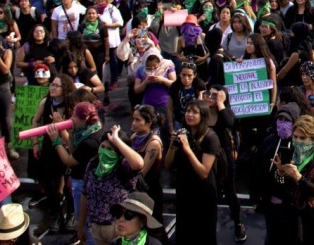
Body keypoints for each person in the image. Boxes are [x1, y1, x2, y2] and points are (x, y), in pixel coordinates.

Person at [266, 115, 314, 245]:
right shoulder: (289, 152)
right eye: (295, 137)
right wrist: (280, 172)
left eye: (302, 138)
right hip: (289, 214)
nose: (297, 141)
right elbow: (280, 186)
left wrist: (299, 178)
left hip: (311, 216)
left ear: (313, 138)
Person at [165, 100, 221, 245]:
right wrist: (172, 146)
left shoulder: (211, 138)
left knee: (203, 234)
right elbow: (167, 164)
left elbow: (203, 172)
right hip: (184, 191)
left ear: (203, 116)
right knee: (184, 233)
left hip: (203, 194)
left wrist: (188, 149)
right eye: (188, 111)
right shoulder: (184, 133)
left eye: (195, 112)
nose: (189, 115)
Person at [78, 126, 145, 245]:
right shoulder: (94, 164)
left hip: (117, 227)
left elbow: (139, 163)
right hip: (95, 227)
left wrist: (117, 140)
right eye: (102, 147)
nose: (104, 151)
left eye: (110, 149)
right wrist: (80, 225)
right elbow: (85, 195)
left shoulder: (124, 166)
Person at [48, 101, 103, 245]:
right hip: (89, 181)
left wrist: (56, 142)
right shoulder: (92, 131)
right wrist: (67, 132)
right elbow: (74, 151)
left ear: (84, 119)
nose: (71, 118)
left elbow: (69, 160)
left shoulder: (89, 142)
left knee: (86, 224)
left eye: (74, 116)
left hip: (83, 182)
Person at [30, 74, 75, 235]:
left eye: (56, 86)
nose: (52, 88)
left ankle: (71, 214)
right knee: (49, 183)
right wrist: (36, 144)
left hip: (67, 146)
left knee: (70, 185)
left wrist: (61, 126)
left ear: (66, 89)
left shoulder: (72, 104)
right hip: (49, 147)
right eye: (52, 85)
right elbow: (35, 121)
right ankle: (56, 214)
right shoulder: (45, 102)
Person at [204, 85, 246, 242]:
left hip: (224, 157)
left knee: (230, 191)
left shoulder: (225, 112)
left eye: (215, 96)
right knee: (209, 191)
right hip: (207, 157)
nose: (210, 97)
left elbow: (230, 123)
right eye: (209, 94)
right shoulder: (202, 111)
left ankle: (239, 222)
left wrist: (221, 103)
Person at [128, 104, 167, 245]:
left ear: (149, 122)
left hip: (150, 191)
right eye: (133, 119)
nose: (134, 123)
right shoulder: (134, 137)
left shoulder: (154, 143)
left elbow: (141, 171)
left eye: (138, 120)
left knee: (154, 227)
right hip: (136, 189)